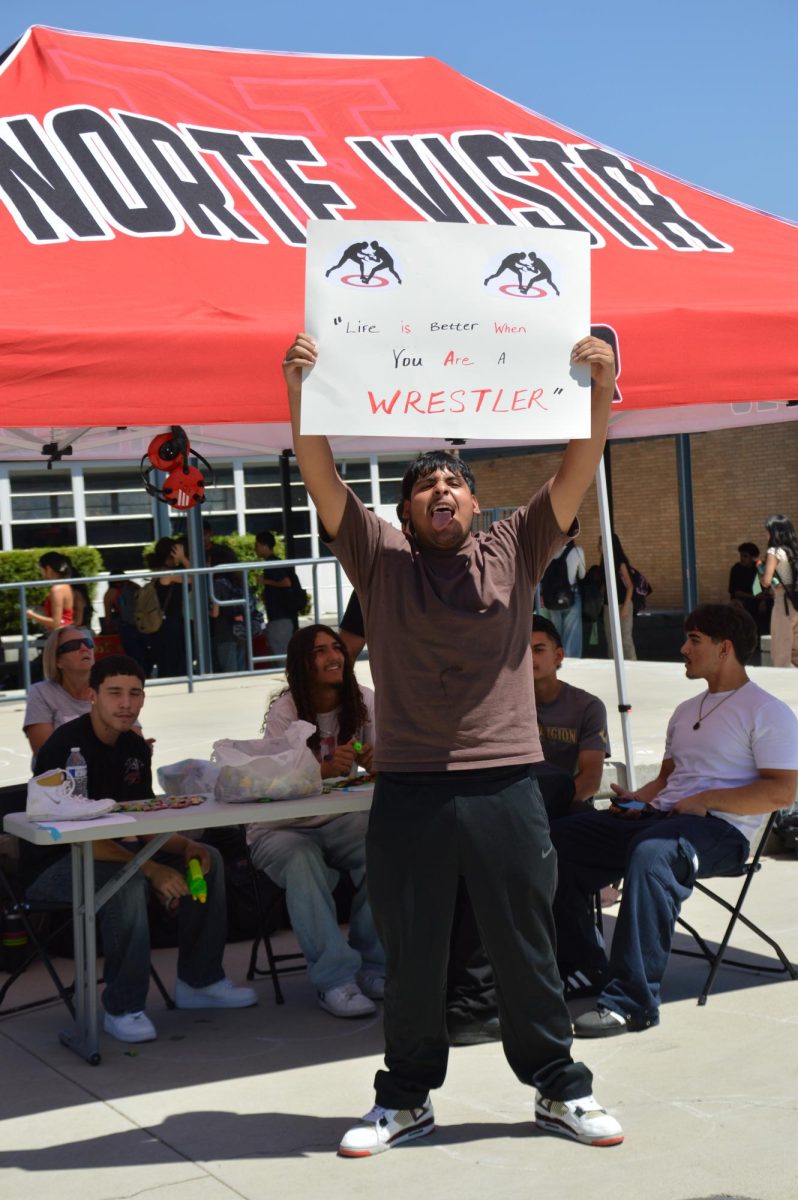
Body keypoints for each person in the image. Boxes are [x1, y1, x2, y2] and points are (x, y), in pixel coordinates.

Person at [283, 330, 623, 1153]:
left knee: (525, 946)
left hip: (506, 784)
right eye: (426, 485)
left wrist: (600, 386)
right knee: (413, 951)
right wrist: (301, 390)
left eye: (454, 484)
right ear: (404, 510)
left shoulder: (516, 545)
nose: (442, 492)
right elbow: (319, 471)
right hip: (408, 788)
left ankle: (558, 1090)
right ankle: (404, 1099)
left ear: (476, 503)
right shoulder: (381, 557)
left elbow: (580, 463)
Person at [551, 604, 798, 1038]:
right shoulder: (686, 710)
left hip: (721, 831)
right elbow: (667, 779)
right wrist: (636, 800)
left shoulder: (767, 711)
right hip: (661, 817)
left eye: (694, 640)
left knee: (653, 855)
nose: (683, 648)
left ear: (724, 649)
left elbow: (782, 791)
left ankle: (632, 1003)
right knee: (557, 840)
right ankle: (585, 966)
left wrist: (706, 800)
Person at [25, 655, 257, 1042]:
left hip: (112, 855)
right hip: (56, 863)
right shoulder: (64, 748)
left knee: (209, 859)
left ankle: (199, 983)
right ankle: (124, 1007)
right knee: (127, 883)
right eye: (114, 693)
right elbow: (78, 839)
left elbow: (144, 824)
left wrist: (184, 848)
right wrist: (150, 871)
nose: (126, 703)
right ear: (91, 696)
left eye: (135, 694)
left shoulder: (134, 746)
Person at [247, 625, 384, 1018]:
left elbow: (392, 759)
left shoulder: (365, 701)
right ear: (301, 665)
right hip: (281, 827)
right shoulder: (285, 711)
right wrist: (322, 770)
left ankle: (375, 966)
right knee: (301, 860)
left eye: (336, 648)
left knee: (386, 846)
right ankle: (334, 980)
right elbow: (275, 783)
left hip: (338, 821)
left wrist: (379, 761)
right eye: (320, 651)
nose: (333, 657)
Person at [532, 615, 610, 808]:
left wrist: (545, 810)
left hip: (568, 806)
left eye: (538, 650)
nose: (529, 657)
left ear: (558, 656)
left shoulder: (588, 707)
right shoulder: (506, 705)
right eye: (521, 650)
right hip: (519, 810)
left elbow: (591, 780)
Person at [23, 625, 95, 762]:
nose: (84, 648)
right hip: (59, 778)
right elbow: (45, 750)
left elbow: (135, 739)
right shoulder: (41, 693)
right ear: (58, 661)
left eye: (88, 643)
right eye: (73, 645)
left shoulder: (108, 689)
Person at [148, 536, 189, 678]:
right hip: (169, 625)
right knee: (173, 663)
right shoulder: (168, 574)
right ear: (171, 553)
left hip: (164, 624)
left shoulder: (162, 571)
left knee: (168, 661)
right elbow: (195, 577)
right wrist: (183, 558)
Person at [254, 530, 300, 659]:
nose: (255, 549)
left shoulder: (272, 563)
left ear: (264, 545)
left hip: (280, 616)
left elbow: (286, 582)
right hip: (283, 615)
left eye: (257, 545)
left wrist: (264, 581)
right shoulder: (275, 562)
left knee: (281, 652)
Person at [760, 515, 798, 668]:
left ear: (774, 532)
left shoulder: (774, 551)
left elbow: (766, 581)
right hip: (796, 600)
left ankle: (783, 684)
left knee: (781, 647)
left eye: (767, 530)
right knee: (796, 646)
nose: (766, 534)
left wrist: (761, 573)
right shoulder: (794, 550)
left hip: (784, 603)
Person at [538, 540, 586, 658]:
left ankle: (556, 659)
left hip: (552, 599)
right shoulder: (576, 551)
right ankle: (570, 661)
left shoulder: (548, 552)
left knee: (556, 634)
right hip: (570, 597)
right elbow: (582, 575)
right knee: (572, 635)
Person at [25, 551, 85, 631]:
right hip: (64, 633)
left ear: (48, 569)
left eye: (41, 569)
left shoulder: (57, 590)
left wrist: (32, 615)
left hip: (62, 635)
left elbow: (56, 623)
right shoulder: (65, 586)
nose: (41, 573)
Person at [599, 533, 636, 661]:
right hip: (608, 607)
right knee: (611, 640)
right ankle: (614, 666)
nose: (599, 547)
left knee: (625, 639)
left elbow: (630, 586)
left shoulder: (620, 564)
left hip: (622, 605)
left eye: (601, 543)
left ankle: (633, 665)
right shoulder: (603, 563)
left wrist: (625, 607)